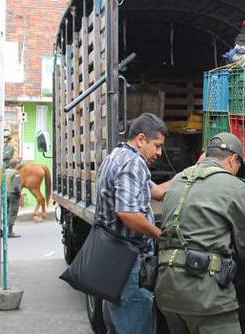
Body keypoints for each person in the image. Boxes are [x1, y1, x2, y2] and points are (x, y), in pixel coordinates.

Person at [156, 132, 245, 334]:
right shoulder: (233, 186)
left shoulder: (178, 180)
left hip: (167, 289)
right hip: (206, 294)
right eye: (238, 167)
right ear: (233, 159)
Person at [95, 113, 168, 334]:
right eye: (157, 145)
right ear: (141, 139)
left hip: (112, 262)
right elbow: (127, 213)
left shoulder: (116, 155)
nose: (159, 152)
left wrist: (191, 173)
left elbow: (157, 192)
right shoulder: (133, 163)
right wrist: (160, 235)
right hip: (129, 265)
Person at [5, 159, 23, 238]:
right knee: (13, 212)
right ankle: (10, 231)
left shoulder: (5, 172)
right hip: (13, 194)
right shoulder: (16, 173)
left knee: (7, 211)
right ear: (16, 165)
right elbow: (16, 186)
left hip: (6, 194)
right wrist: (19, 192)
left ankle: (4, 230)